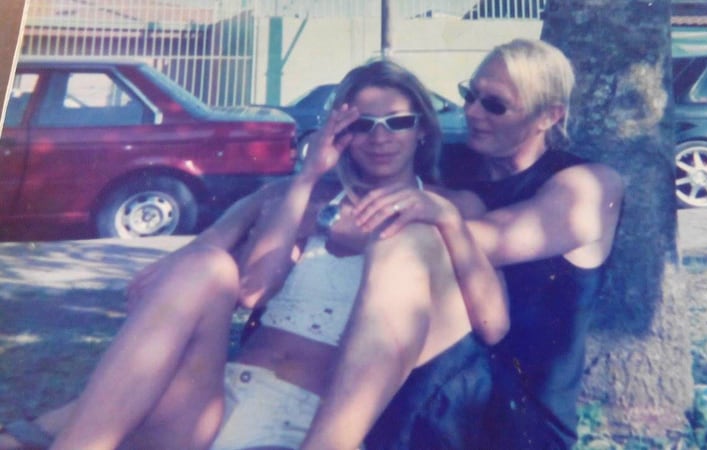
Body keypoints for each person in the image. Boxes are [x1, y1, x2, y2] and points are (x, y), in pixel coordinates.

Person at [0, 59, 505, 450]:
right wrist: (306, 178)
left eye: (397, 122)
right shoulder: (304, 200)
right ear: (340, 133)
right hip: (215, 399)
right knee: (207, 266)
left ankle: (50, 430)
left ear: (423, 129)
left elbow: (492, 325)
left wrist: (447, 222)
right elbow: (252, 291)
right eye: (363, 124)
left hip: (303, 420)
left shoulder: (454, 208)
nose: (380, 138)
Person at [301, 38, 624, 449]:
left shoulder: (587, 187)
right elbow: (345, 193)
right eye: (470, 95)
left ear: (549, 116)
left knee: (408, 245)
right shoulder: (451, 163)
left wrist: (436, 220)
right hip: (419, 386)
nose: (472, 112)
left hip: (517, 417)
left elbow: (452, 241)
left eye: (495, 105)